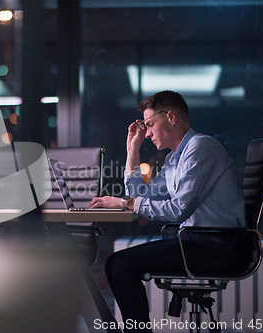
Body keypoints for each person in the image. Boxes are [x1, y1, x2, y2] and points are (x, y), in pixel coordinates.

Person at [89, 90, 246, 332]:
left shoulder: (200, 148)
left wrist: (124, 204)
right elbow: (138, 195)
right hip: (199, 240)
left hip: (220, 245)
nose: (148, 132)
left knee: (121, 265)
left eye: (150, 124)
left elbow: (178, 210)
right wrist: (133, 149)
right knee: (115, 263)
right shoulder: (175, 159)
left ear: (170, 117)